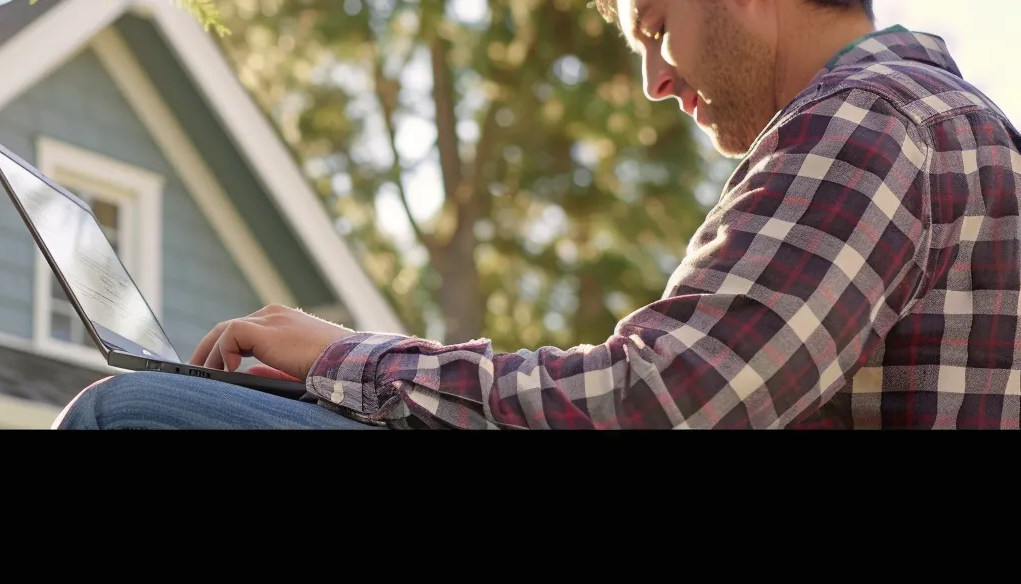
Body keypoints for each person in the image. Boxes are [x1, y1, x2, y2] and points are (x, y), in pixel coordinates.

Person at [56, 0, 1020, 430]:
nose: (652, 78)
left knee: (137, 416)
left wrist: (349, 359)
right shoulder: (928, 121)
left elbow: (659, 402)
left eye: (654, 26)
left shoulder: (869, 121)